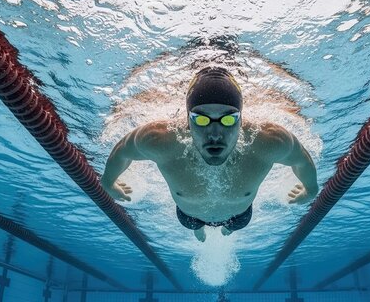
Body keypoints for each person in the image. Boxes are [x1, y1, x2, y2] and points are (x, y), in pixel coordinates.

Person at [101, 66, 318, 241]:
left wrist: (311, 188)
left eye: (228, 119)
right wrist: (108, 182)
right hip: (189, 217)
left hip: (239, 216)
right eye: (201, 119)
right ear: (187, 120)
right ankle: (199, 229)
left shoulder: (269, 141)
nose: (215, 134)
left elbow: (301, 159)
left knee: (234, 227)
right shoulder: (159, 140)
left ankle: (227, 231)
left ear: (241, 119)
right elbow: (122, 151)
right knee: (193, 225)